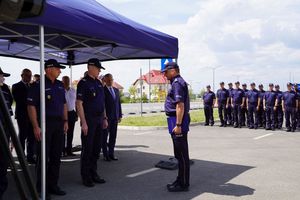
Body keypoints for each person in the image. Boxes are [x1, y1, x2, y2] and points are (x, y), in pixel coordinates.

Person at [27, 59, 68, 198]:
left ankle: (53, 185)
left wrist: (66, 120)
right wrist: (35, 126)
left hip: (58, 124)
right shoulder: (37, 85)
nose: (60, 71)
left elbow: (63, 104)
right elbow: (31, 106)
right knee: (43, 158)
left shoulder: (60, 85)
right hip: (44, 124)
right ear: (49, 69)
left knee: (56, 156)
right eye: (58, 68)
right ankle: (41, 188)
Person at [76, 58, 108, 187]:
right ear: (91, 67)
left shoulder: (99, 83)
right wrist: (83, 122)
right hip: (89, 120)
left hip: (99, 119)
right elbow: (79, 103)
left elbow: (102, 102)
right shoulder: (83, 83)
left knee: (96, 149)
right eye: (98, 68)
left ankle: (94, 173)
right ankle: (86, 176)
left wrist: (105, 118)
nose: (100, 70)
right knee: (87, 149)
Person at [162, 62, 190, 192]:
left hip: (178, 121)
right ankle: (180, 179)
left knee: (182, 154)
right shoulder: (175, 82)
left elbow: (180, 105)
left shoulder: (177, 83)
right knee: (178, 154)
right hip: (174, 120)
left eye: (166, 72)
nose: (165, 74)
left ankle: (183, 183)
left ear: (173, 71)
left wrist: (178, 125)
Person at [12, 69, 36, 164]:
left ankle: (30, 156)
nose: (29, 77)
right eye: (27, 75)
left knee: (31, 137)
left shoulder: (32, 86)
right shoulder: (16, 86)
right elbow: (18, 99)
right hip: (22, 115)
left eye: (30, 75)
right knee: (22, 136)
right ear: (22, 75)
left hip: (32, 116)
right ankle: (21, 157)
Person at [102, 73, 122, 161]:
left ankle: (111, 153)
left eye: (111, 79)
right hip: (106, 118)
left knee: (113, 136)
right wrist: (104, 117)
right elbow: (102, 105)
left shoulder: (116, 90)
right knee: (104, 136)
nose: (110, 81)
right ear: (105, 80)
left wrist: (120, 115)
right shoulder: (102, 90)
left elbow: (118, 103)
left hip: (115, 117)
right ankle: (105, 154)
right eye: (108, 80)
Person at [0, 68, 12, 200]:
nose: (3, 79)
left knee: (3, 162)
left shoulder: (5, 91)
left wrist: (11, 138)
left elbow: (9, 113)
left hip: (5, 131)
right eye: (1, 76)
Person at [62, 76, 77, 157]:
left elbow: (76, 103)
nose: (66, 82)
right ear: (62, 81)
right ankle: (62, 151)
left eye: (67, 81)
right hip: (63, 114)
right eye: (65, 81)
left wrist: (77, 114)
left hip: (71, 113)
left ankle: (69, 150)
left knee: (70, 133)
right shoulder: (60, 90)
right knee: (63, 133)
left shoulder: (73, 90)